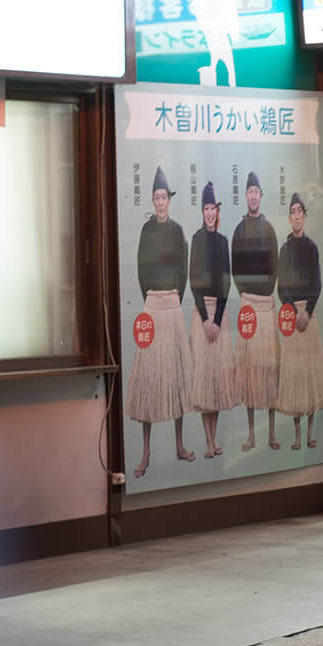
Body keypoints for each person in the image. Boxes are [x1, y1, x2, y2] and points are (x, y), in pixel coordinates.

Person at [126, 167, 194, 477]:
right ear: (152, 201)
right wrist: (151, 299)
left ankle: (180, 445)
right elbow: (141, 269)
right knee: (149, 381)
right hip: (152, 304)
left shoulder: (178, 230)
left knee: (177, 377)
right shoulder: (146, 231)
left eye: (164, 196)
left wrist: (175, 298)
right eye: (155, 197)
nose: (160, 202)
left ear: (170, 200)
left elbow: (184, 268)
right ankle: (146, 453)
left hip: (173, 304)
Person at [273, 192, 323, 450]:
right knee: (294, 376)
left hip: (310, 314)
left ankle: (310, 434)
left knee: (310, 375)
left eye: (300, 211)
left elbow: (317, 284)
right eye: (292, 212)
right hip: (291, 317)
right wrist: (293, 312)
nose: (296, 215)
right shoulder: (284, 250)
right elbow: (281, 287)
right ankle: (296, 435)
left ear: (305, 216)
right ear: (289, 218)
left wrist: (308, 311)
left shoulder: (312, 247)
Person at [229, 170, 281, 452]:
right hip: (248, 303)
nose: (252, 196)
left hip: (266, 304)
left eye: (256, 192)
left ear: (261, 196)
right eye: (249, 191)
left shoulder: (270, 229)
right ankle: (251, 434)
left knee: (269, 369)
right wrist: (246, 296)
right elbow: (235, 267)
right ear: (246, 195)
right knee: (250, 372)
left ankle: (272, 433)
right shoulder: (238, 230)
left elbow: (275, 264)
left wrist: (265, 295)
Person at [185, 182, 236, 458]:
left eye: (212, 208)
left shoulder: (223, 241)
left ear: (218, 211)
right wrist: (206, 320)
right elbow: (194, 282)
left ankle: (214, 438)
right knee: (204, 378)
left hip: (220, 315)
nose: (209, 213)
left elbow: (226, 283)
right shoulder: (196, 239)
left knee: (217, 379)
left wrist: (217, 320)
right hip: (201, 314)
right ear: (202, 211)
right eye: (205, 208)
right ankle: (207, 441)